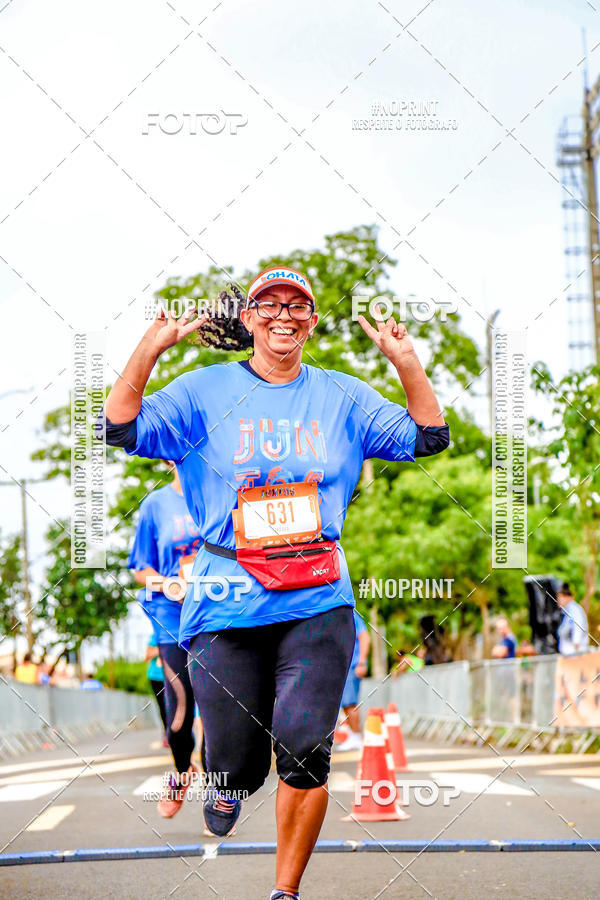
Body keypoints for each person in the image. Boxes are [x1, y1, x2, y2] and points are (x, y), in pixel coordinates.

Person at [103, 265, 449, 900]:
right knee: (238, 764)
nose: (284, 314)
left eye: (298, 305)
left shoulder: (343, 395)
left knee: (306, 747)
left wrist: (407, 363)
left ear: (311, 321)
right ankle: (224, 778)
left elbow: (429, 437)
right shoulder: (203, 391)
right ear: (252, 318)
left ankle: (285, 892)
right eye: (270, 304)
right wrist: (149, 350)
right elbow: (120, 426)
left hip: (317, 598)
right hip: (224, 604)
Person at [128, 463, 201, 818]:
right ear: (168, 460)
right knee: (179, 710)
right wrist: (170, 585)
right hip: (172, 617)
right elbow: (141, 569)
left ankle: (224, 794)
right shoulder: (155, 505)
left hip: (220, 611)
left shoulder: (225, 495)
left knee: (223, 707)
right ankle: (183, 770)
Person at [337, 610, 370, 752]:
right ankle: (352, 735)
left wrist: (362, 662)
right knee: (345, 703)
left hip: (353, 664)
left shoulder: (351, 614)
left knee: (350, 703)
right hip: (343, 665)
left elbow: (364, 637)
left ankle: (356, 736)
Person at [146, 632, 169, 748]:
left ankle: (178, 733)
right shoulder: (156, 635)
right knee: (163, 706)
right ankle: (167, 734)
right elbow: (147, 655)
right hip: (156, 677)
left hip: (173, 676)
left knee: (174, 705)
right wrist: (163, 648)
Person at [556, 583, 590, 656]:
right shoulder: (567, 611)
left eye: (561, 597)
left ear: (569, 597)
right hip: (570, 654)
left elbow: (578, 626)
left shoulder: (574, 610)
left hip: (575, 653)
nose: (558, 600)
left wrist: (576, 644)